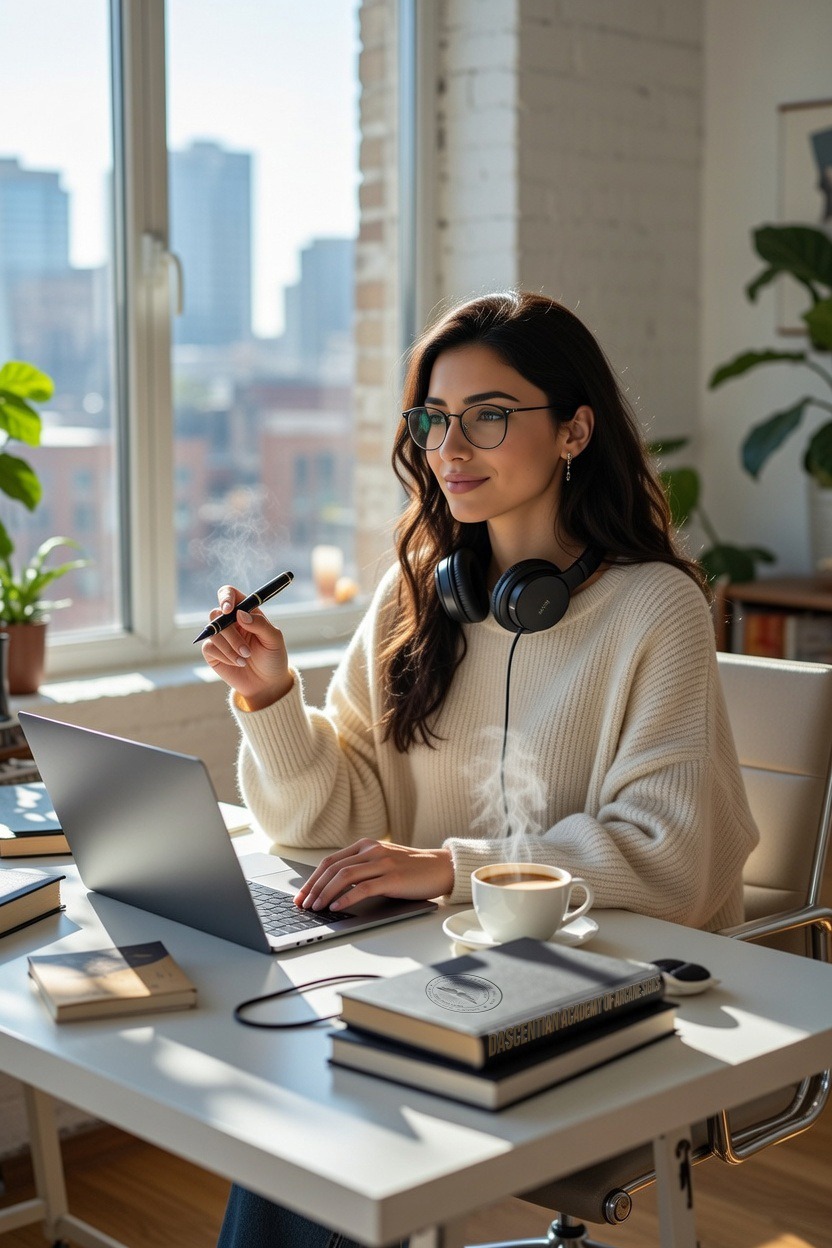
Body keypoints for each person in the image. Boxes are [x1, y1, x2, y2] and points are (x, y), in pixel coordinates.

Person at [202, 290, 759, 1247]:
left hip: (619, 991)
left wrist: (451, 867)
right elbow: (333, 827)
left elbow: (672, 858)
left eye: (489, 417)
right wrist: (272, 696)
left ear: (575, 430)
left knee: (329, 1111)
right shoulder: (419, 593)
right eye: (434, 419)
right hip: (444, 974)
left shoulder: (654, 609)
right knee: (302, 1098)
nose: (450, 447)